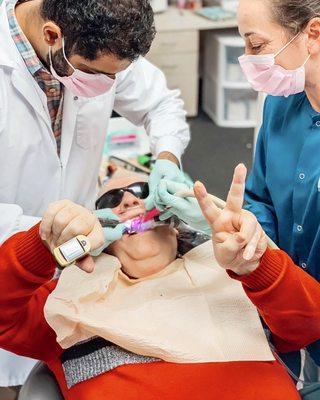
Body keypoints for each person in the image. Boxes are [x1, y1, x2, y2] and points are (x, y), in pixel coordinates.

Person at [0, 166, 320, 399]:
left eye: (142, 193)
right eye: (112, 199)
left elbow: (309, 326)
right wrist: (42, 246)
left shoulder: (231, 272)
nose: (129, 201)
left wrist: (257, 265)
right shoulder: (71, 296)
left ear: (174, 223)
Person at [0, 0, 190, 386]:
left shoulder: (103, 48)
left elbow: (161, 104)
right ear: (53, 35)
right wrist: (45, 231)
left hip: (73, 267)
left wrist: (167, 160)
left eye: (115, 77)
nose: (106, 86)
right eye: (92, 74)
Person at [234, 0, 320, 377]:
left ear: (312, 34)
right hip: (287, 309)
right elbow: (260, 197)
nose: (248, 59)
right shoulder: (280, 105)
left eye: (256, 45)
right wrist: (255, 240)